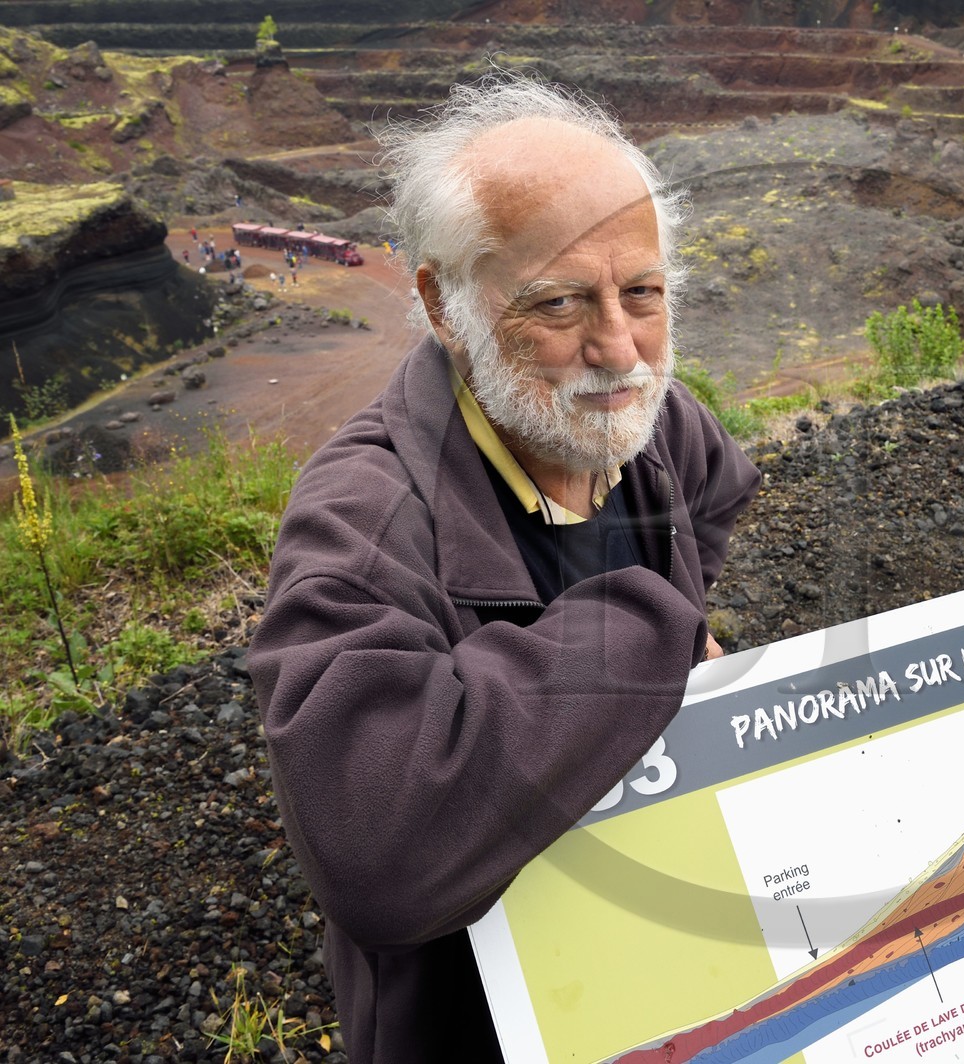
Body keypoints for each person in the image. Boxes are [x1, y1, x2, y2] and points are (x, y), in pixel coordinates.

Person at [247, 73, 761, 1064]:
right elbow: (379, 844)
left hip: (651, 968)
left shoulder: (661, 428)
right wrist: (653, 627)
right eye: (560, 302)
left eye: (643, 292)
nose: (619, 349)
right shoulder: (361, 520)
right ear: (444, 303)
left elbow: (719, 489)